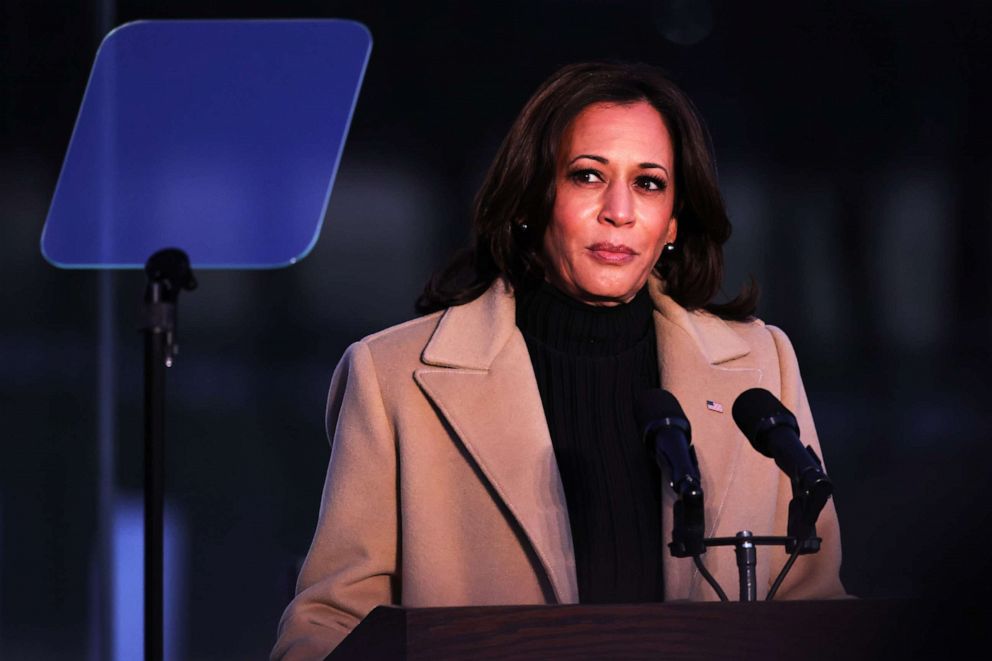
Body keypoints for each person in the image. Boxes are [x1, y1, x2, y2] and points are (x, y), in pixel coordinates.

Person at [271, 61, 847, 660]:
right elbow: (331, 624)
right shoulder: (392, 377)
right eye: (588, 176)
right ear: (530, 200)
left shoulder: (761, 362)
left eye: (648, 183)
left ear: (674, 221)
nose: (619, 211)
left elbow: (815, 605)